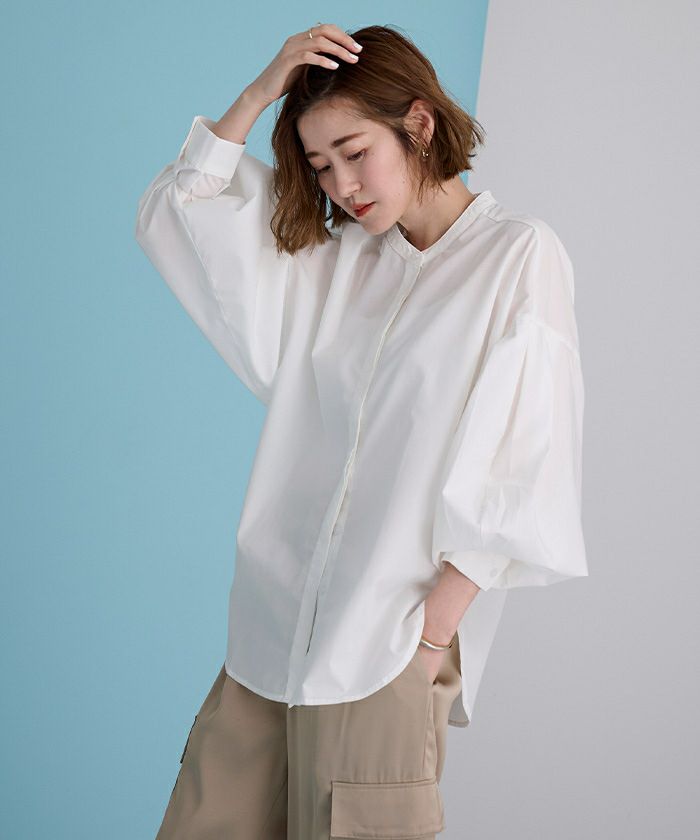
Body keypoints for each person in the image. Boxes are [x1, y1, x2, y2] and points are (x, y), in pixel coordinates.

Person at [134, 22, 588, 839]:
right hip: (270, 642)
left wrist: (429, 640)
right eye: (319, 165)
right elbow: (186, 205)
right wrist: (262, 90)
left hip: (384, 649)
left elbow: (525, 463)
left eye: (354, 151)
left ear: (419, 123)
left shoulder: (517, 257)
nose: (341, 185)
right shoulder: (335, 260)